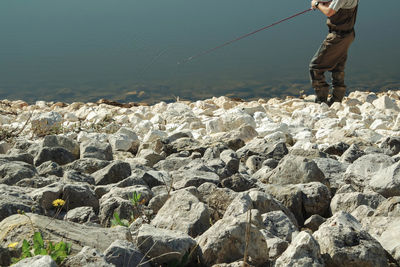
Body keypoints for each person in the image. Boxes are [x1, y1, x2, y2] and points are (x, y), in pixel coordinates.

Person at [309, 0, 359, 105]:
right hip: (348, 35)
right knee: (337, 67)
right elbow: (336, 4)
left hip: (337, 37)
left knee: (315, 67)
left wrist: (317, 5)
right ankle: (336, 101)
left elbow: (329, 12)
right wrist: (322, 3)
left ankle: (321, 101)